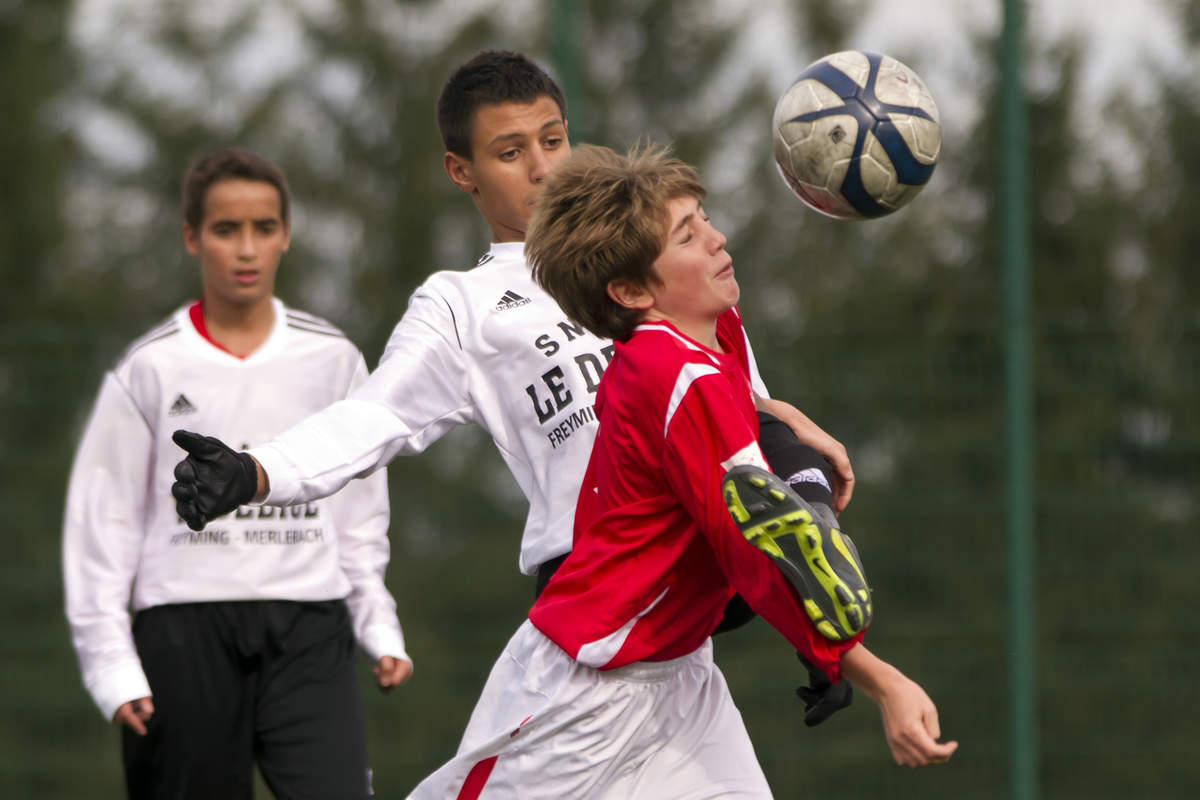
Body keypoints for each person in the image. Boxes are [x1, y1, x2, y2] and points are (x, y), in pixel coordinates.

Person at [168, 49, 853, 732]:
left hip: (689, 609)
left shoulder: (661, 264)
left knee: (784, 438)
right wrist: (260, 471)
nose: (542, 167)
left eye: (553, 140)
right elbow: (373, 417)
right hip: (593, 611)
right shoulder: (463, 305)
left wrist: (815, 629)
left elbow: (740, 440)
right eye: (509, 151)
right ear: (460, 171)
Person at [403, 143, 957, 798]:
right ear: (632, 290)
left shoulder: (705, 333)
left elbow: (732, 428)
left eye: (704, 218)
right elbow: (756, 541)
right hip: (583, 692)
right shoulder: (674, 376)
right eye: (688, 235)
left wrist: (778, 415)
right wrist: (875, 675)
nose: (719, 239)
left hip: (680, 677)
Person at [62, 147, 412, 800]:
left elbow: (361, 513)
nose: (246, 249)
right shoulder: (150, 369)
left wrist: (377, 623)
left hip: (310, 629)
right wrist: (110, 665)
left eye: (263, 228)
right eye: (226, 230)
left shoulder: (333, 359)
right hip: (182, 635)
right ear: (193, 238)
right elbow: (100, 527)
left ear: (285, 235)